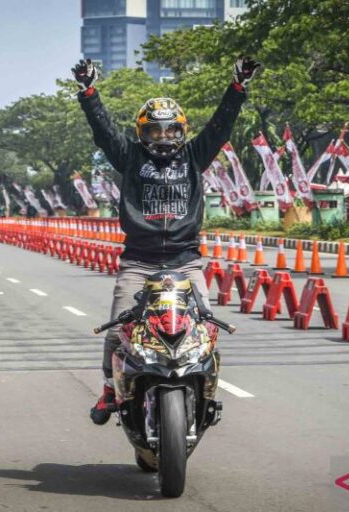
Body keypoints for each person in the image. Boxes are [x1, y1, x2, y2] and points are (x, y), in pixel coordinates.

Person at [73, 56, 261, 425]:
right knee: (117, 331)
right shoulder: (129, 156)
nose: (163, 138)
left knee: (204, 325)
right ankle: (111, 388)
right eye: (155, 131)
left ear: (182, 131)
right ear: (142, 132)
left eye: (170, 130)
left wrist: (238, 86)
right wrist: (88, 92)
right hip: (138, 263)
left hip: (185, 262)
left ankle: (205, 392)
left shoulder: (194, 155)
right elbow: (104, 130)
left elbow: (221, 126)